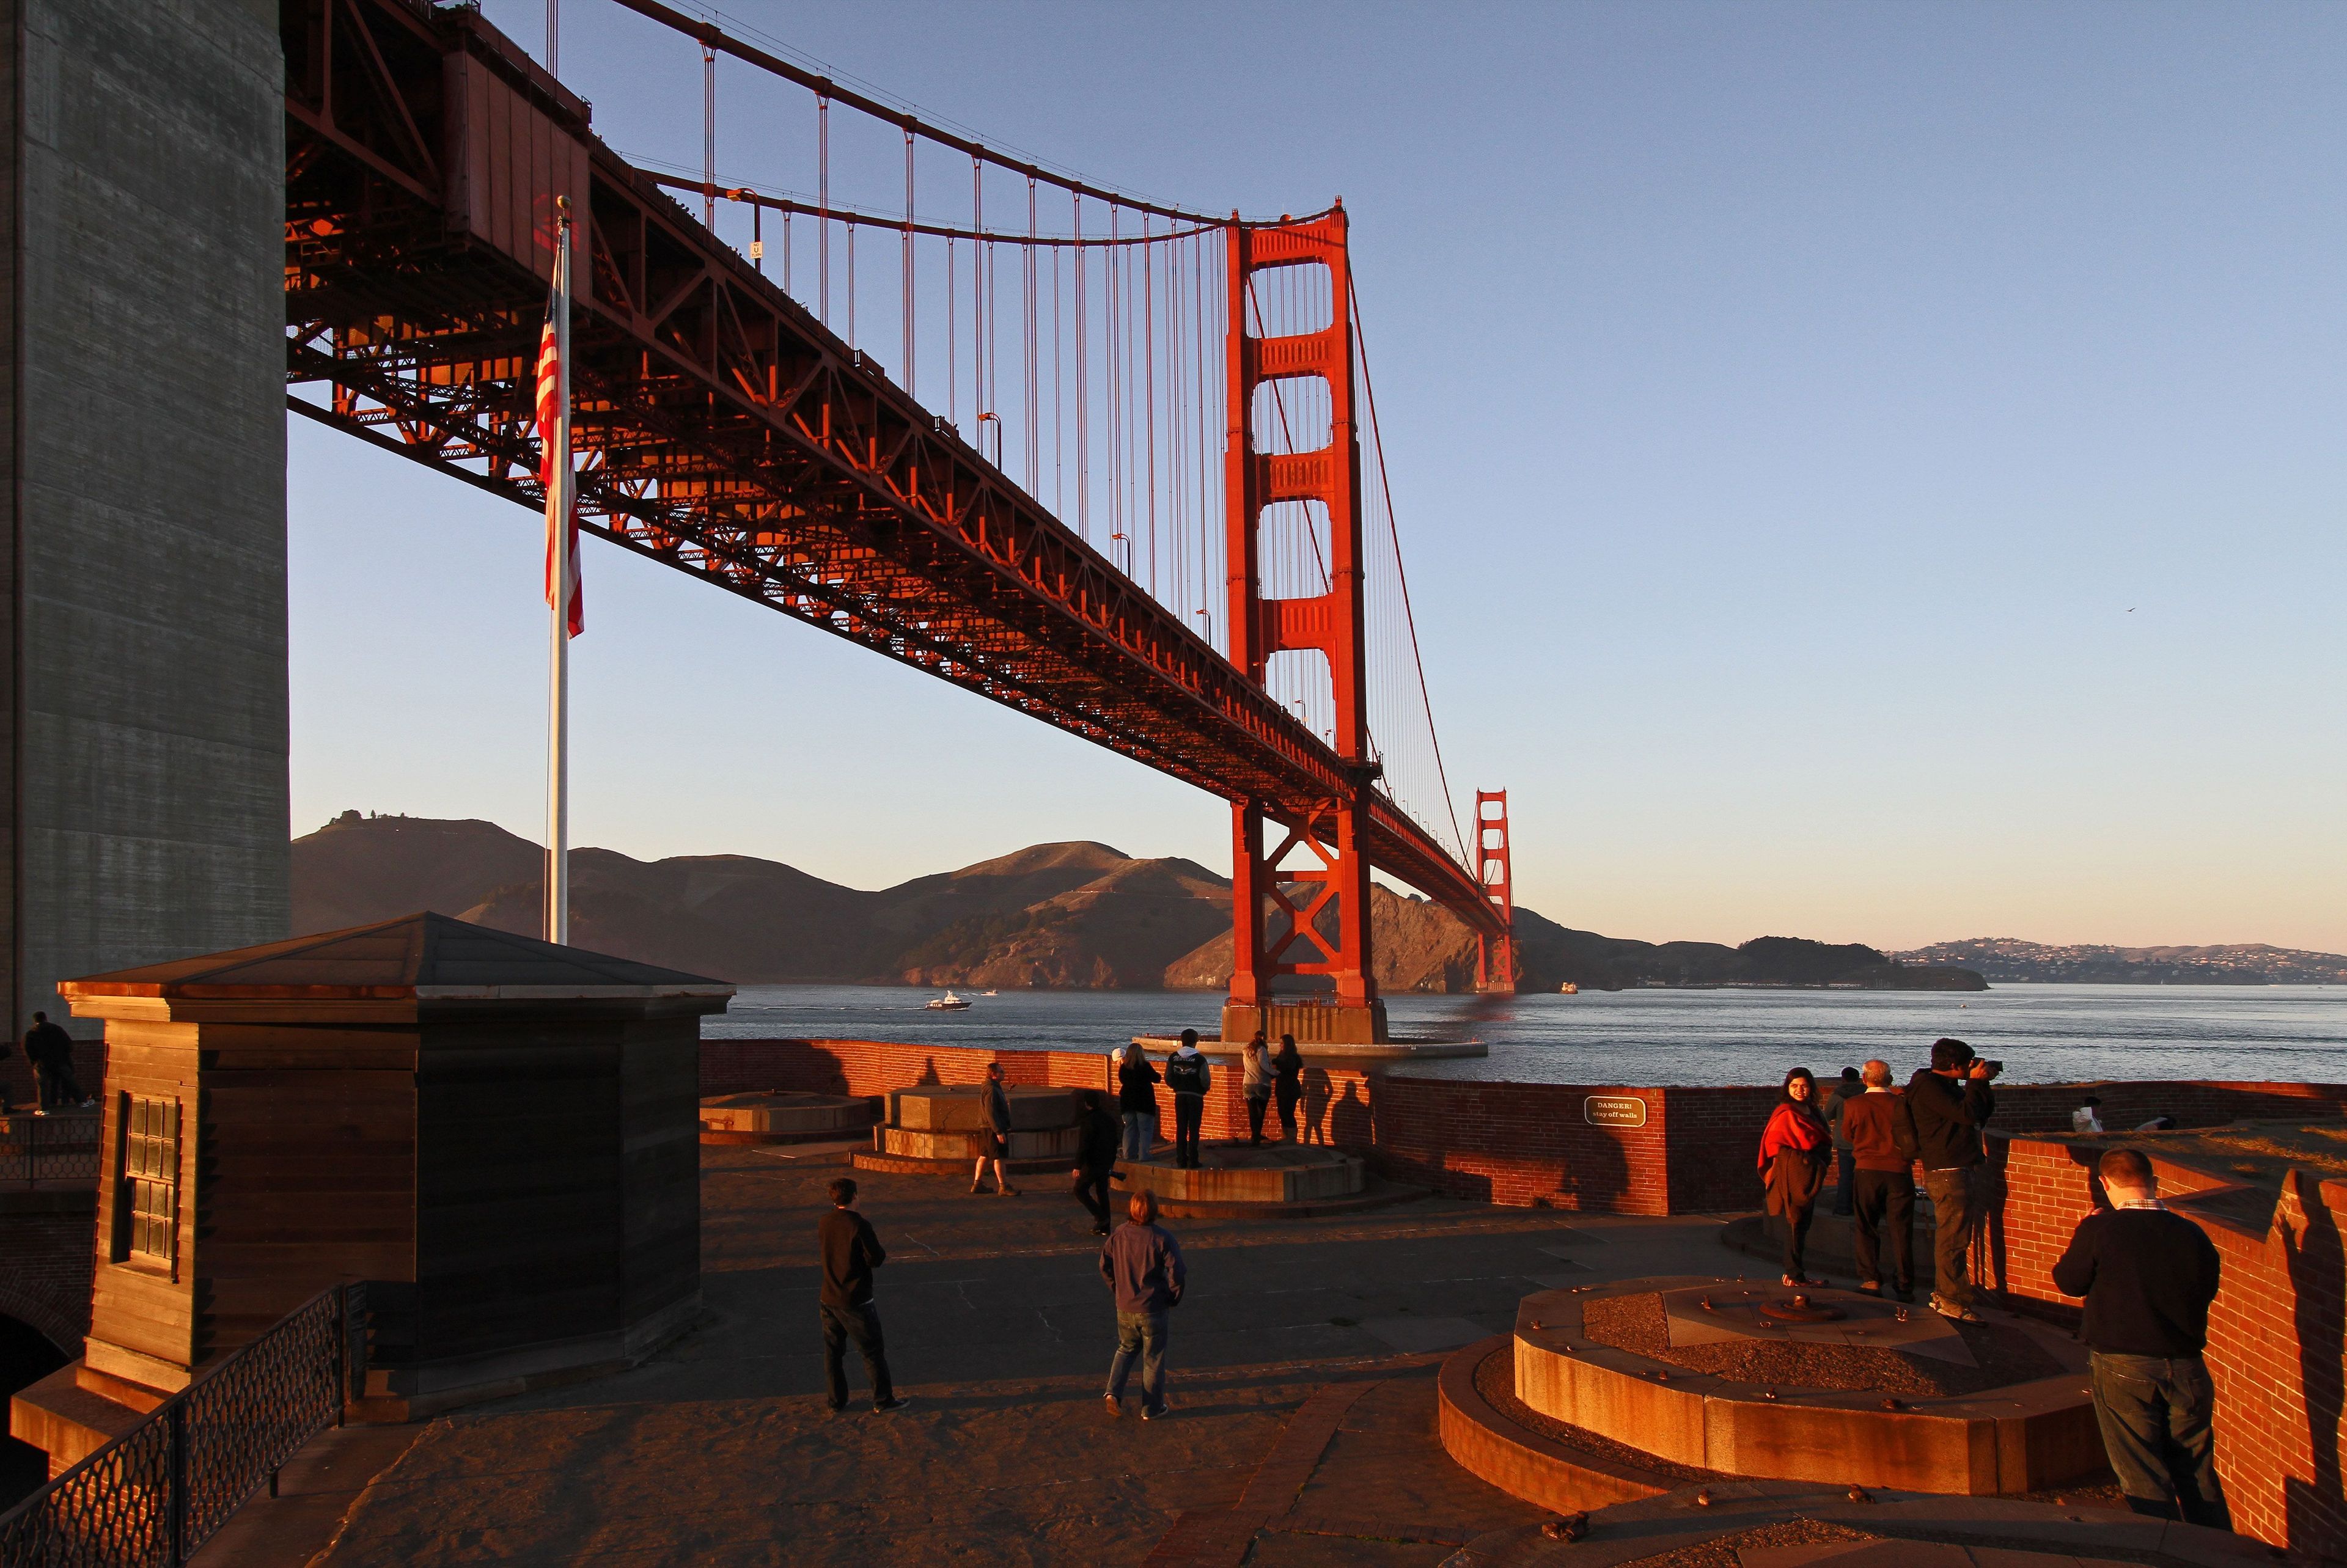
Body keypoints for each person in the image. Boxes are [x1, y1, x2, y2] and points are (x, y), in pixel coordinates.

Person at [2051, 1148, 2228, 1528]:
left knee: (2142, 1473)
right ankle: (2220, 1552)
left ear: (2105, 1183)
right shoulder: (2192, 1233)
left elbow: (2069, 1282)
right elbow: (2206, 1289)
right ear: (2154, 1182)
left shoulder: (2101, 1229)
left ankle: (2160, 1551)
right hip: (2187, 1364)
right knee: (2197, 1472)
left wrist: (2084, 1231)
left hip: (2123, 1363)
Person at [1907, 1036, 1997, 1322]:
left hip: (1955, 1168)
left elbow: (1980, 1114)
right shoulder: (1931, 1089)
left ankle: (1950, 1295)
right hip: (1948, 1171)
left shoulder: (1944, 1086)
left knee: (1955, 1237)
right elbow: (1968, 1114)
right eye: (1968, 1064)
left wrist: (1981, 1084)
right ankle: (1949, 1298)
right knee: (1953, 1239)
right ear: (1955, 1066)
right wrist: (1977, 1083)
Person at [817, 1176, 912, 1415]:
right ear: (855, 1196)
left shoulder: (825, 1222)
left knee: (833, 1352)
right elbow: (876, 1258)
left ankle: (836, 1401)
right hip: (855, 1298)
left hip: (829, 1296)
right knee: (871, 1351)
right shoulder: (859, 1225)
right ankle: (883, 1399)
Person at [1100, 1188, 1186, 1420]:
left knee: (1126, 1348)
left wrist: (1117, 1289)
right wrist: (1173, 1296)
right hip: (1153, 1307)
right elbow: (1177, 1271)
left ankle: (1113, 1392)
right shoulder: (1162, 1237)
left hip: (1125, 1305)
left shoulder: (1118, 1234)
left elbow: (1104, 1265)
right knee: (1153, 1358)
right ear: (1154, 1211)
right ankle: (1151, 1408)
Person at [1839, 1060, 1919, 1301]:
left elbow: (1847, 1135)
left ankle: (1871, 1279)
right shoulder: (1901, 1103)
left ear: (1864, 1079)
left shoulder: (1854, 1104)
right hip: (1899, 1171)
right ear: (1890, 1079)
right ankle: (1905, 1284)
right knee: (1902, 1230)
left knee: (1866, 1226)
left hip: (1867, 1170)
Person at [1757, 1067, 1832, 1286]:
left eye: (1804, 1085)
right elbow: (1773, 1144)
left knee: (1804, 1224)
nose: (1800, 1090)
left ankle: (1797, 1272)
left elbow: (1824, 1138)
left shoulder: (1813, 1110)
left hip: (1813, 1171)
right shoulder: (1786, 1112)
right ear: (1787, 1087)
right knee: (1795, 1222)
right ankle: (1793, 1273)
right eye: (1795, 1086)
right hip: (1794, 1173)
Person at [1071, 1090, 1121, 1236]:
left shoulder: (1088, 1121)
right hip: (1106, 1161)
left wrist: (1078, 1165)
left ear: (1087, 1104)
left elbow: (1084, 1145)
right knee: (1102, 1191)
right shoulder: (1109, 1119)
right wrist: (1111, 1161)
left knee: (1080, 1190)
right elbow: (1115, 1142)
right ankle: (1105, 1226)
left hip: (1092, 1163)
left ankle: (1101, 1218)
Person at [971, 1060, 1020, 1196]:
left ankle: (978, 1184)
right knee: (999, 1157)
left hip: (987, 1127)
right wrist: (998, 1131)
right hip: (992, 1128)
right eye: (1001, 1072)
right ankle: (1003, 1186)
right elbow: (990, 1112)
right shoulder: (992, 1089)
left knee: (985, 1154)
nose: (1004, 1074)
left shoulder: (990, 1087)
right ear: (993, 1074)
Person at [1164, 1030, 1210, 1170]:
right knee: (1194, 1129)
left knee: (1181, 1128)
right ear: (1195, 1041)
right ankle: (1193, 1160)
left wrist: (1176, 1086)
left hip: (1180, 1096)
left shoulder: (1173, 1058)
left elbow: (1168, 1077)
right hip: (1196, 1097)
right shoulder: (1200, 1059)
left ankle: (1181, 1159)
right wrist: (1203, 1089)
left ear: (1181, 1041)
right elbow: (1205, 1080)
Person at [24, 1013, 86, 1115]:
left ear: (35, 1020)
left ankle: (44, 1109)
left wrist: (34, 1062)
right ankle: (82, 1101)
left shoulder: (31, 1033)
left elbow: (28, 1049)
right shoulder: (56, 1029)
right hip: (59, 1061)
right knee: (69, 1080)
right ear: (46, 1018)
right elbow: (68, 1044)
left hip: (41, 1063)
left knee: (42, 1085)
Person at [1821, 1066, 1863, 1217]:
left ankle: (1843, 1207)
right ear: (1859, 1078)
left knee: (1846, 1175)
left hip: (1844, 1140)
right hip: (1864, 1140)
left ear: (1843, 1079)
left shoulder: (1838, 1095)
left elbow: (1827, 1116)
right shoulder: (1865, 1093)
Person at [1117, 1044, 1161, 1162]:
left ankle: (1128, 1155)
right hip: (1144, 1102)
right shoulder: (1145, 1066)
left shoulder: (1124, 1067)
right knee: (1145, 1130)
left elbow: (1122, 1080)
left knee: (1129, 1129)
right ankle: (1144, 1155)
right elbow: (1157, 1078)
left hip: (1127, 1102)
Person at [1240, 1031, 1273, 1146]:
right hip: (1262, 1083)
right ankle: (1257, 1136)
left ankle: (1255, 1136)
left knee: (1252, 1113)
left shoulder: (1246, 1050)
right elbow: (1264, 1066)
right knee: (1260, 1112)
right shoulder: (1262, 1050)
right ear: (1264, 1039)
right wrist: (1276, 1073)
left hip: (1248, 1084)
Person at [1271, 1033, 1303, 1143]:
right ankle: (1286, 1136)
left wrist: (1276, 1063)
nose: (1280, 1046)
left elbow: (1287, 1068)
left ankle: (1291, 1138)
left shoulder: (1293, 1058)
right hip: (1282, 1088)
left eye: (1282, 1043)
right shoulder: (1282, 1056)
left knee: (1288, 1113)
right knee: (1282, 1112)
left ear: (1287, 1045)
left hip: (1290, 1089)